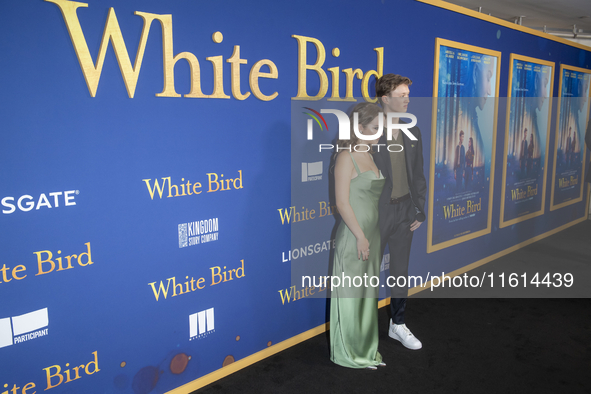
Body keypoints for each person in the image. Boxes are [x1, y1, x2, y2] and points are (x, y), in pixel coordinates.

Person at [330, 102, 386, 370]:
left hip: (371, 235)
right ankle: (350, 353)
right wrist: (360, 237)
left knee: (367, 295)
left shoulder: (371, 155)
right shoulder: (346, 156)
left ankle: (366, 350)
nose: (379, 133)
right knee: (352, 295)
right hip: (354, 236)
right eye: (375, 128)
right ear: (359, 127)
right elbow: (342, 203)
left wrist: (370, 236)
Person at [374, 74, 426, 350]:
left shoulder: (413, 131)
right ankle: (363, 329)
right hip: (377, 214)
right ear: (385, 98)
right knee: (368, 272)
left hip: (406, 211)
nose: (407, 99)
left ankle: (398, 324)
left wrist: (420, 210)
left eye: (408, 94)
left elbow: (418, 175)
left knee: (400, 272)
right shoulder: (365, 130)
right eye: (401, 95)